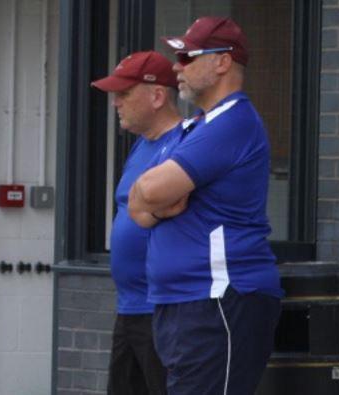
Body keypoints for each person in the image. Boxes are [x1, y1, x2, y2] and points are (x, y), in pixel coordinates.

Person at [128, 17, 283, 395]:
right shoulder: (197, 125)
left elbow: (149, 192)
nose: (176, 67)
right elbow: (137, 200)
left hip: (217, 302)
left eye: (187, 57)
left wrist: (152, 199)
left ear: (222, 62)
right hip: (184, 303)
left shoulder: (233, 122)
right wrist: (153, 201)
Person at [91, 51, 184, 395]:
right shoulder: (142, 146)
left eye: (125, 93)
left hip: (161, 309)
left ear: (158, 96)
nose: (116, 102)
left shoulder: (184, 144)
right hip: (129, 306)